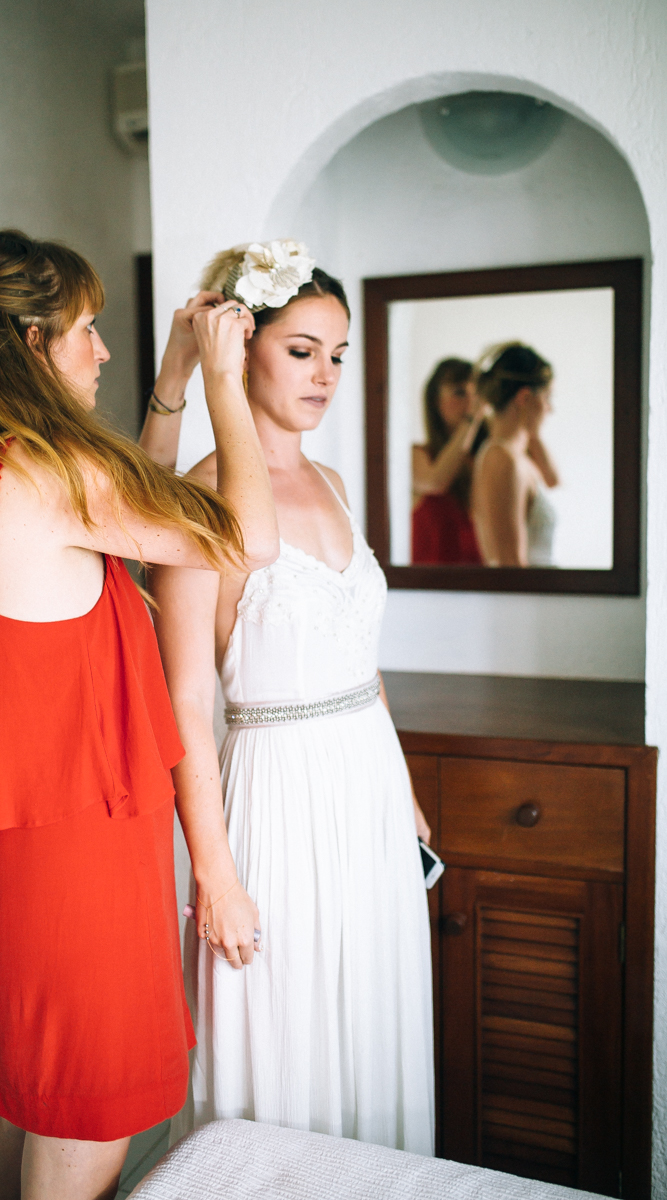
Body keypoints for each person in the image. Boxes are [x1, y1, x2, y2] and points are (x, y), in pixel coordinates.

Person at [0, 230, 277, 1200]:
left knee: (19, 1103)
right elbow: (247, 539)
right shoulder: (55, 474)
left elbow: (117, 527)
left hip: (5, 854)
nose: (100, 351)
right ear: (33, 344)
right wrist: (227, 384)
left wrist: (172, 383)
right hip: (79, 854)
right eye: (87, 331)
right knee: (86, 1126)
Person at [149, 240, 435, 1151]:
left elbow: (360, 656)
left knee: (368, 1018)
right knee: (283, 1039)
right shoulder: (200, 501)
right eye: (303, 349)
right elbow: (187, 700)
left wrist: (409, 798)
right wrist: (215, 872)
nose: (325, 375)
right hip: (272, 797)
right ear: (245, 346)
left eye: (338, 354)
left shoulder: (335, 484)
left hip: (368, 787)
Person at [471, 342, 559, 567]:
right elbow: (509, 563)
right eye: (547, 397)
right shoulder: (502, 459)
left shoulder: (519, 456)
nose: (550, 409)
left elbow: (555, 481)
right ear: (525, 398)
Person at [411, 357, 487, 565]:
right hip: (429, 587)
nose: (470, 403)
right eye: (459, 393)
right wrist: (472, 420)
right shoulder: (418, 455)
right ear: (435, 401)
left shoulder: (486, 458)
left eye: (476, 394)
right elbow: (435, 482)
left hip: (479, 582)